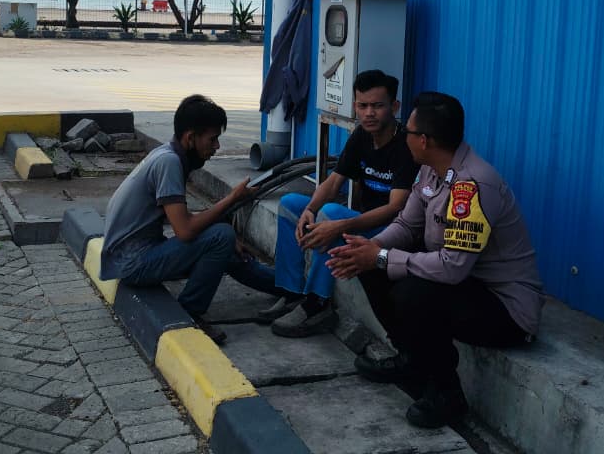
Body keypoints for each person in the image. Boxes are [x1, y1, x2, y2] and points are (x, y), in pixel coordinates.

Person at [327, 91, 543, 429]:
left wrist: (381, 256)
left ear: (424, 140)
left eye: (408, 131)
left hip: (504, 308)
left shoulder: (473, 185)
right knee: (371, 267)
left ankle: (447, 393)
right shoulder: (431, 170)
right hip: (466, 285)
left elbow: (452, 268)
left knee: (412, 292)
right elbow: (406, 225)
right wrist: (372, 248)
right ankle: (411, 360)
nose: (404, 135)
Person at [100, 94, 279, 344]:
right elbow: (184, 230)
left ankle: (290, 288)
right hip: (132, 263)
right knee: (222, 236)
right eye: (212, 139)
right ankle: (190, 312)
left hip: (133, 256)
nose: (217, 147)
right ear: (190, 137)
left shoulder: (169, 155)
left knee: (226, 244)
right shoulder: (169, 162)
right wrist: (232, 198)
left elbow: (182, 219)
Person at [260, 70, 419, 338]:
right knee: (290, 204)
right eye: (363, 106)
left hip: (392, 230)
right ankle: (291, 292)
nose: (369, 113)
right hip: (363, 221)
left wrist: (339, 224)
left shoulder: (405, 145)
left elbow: (395, 208)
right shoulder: (361, 136)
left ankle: (317, 304)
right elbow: (334, 181)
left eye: (377, 106)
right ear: (355, 106)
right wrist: (310, 210)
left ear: (394, 107)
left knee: (332, 214)